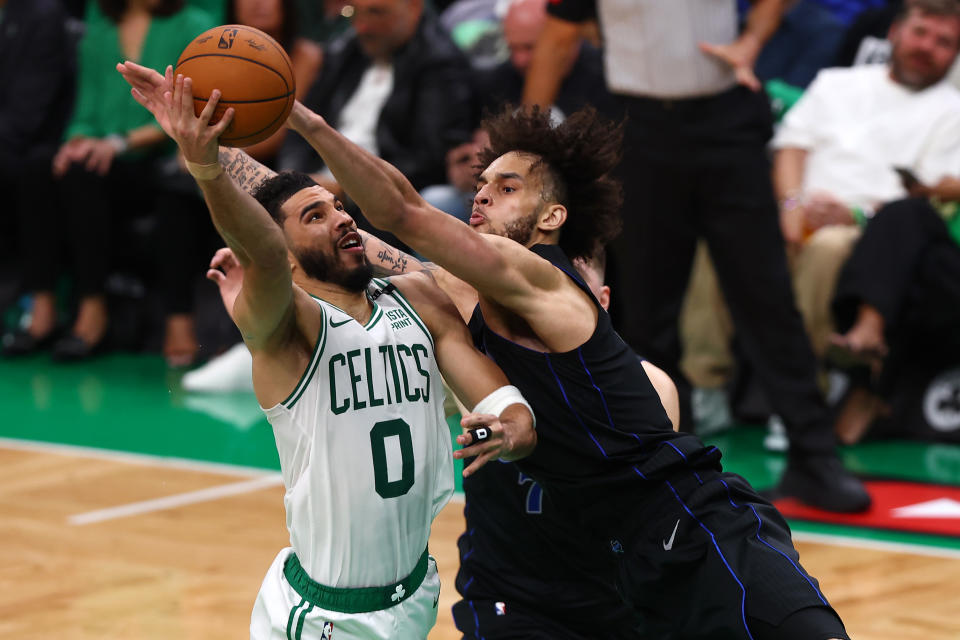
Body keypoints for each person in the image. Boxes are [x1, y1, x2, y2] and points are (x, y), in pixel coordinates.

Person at [119, 62, 536, 638]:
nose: (342, 218)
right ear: (286, 258)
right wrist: (204, 164)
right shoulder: (288, 326)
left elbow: (501, 401)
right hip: (325, 615)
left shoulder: (418, 298)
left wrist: (512, 428)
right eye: (316, 216)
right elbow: (264, 251)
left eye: (339, 208)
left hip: (414, 593)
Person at [521, 0, 871, 514]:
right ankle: (667, 461)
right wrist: (528, 144)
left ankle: (814, 457)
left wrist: (752, 40)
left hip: (727, 120)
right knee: (647, 311)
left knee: (766, 296)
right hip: (637, 128)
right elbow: (556, 37)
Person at [3, 0, 217, 362]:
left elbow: (188, 111)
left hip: (162, 159)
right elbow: (84, 112)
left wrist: (117, 143)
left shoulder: (194, 25)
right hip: (104, 165)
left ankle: (92, 314)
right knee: (42, 167)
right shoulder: (100, 29)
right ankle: (42, 308)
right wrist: (75, 143)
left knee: (89, 173)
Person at [772, 0, 960, 363]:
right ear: (894, 32)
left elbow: (926, 197)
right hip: (796, 207)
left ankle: (803, 382)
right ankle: (706, 382)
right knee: (735, 229)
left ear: (954, 55)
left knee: (828, 247)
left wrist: (855, 215)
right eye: (920, 33)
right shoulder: (836, 82)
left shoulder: (953, 111)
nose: (926, 47)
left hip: (866, 228)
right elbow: (791, 148)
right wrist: (791, 205)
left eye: (944, 42)